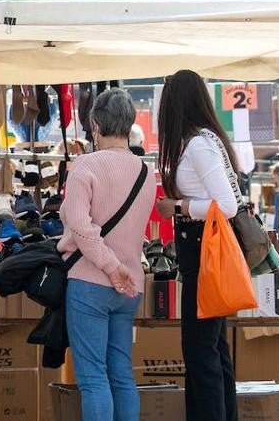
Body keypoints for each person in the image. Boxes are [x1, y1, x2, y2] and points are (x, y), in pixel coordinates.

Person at [59, 89, 158, 420]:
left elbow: (81, 227)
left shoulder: (86, 165)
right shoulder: (146, 172)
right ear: (129, 125)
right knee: (121, 375)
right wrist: (119, 269)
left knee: (92, 379)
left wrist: (110, 267)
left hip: (91, 280)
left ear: (94, 124)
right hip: (130, 285)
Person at [154, 69, 240, 421]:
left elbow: (227, 205)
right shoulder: (204, 140)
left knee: (201, 350)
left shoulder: (198, 145)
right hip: (203, 252)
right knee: (212, 349)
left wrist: (178, 207)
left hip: (204, 250)